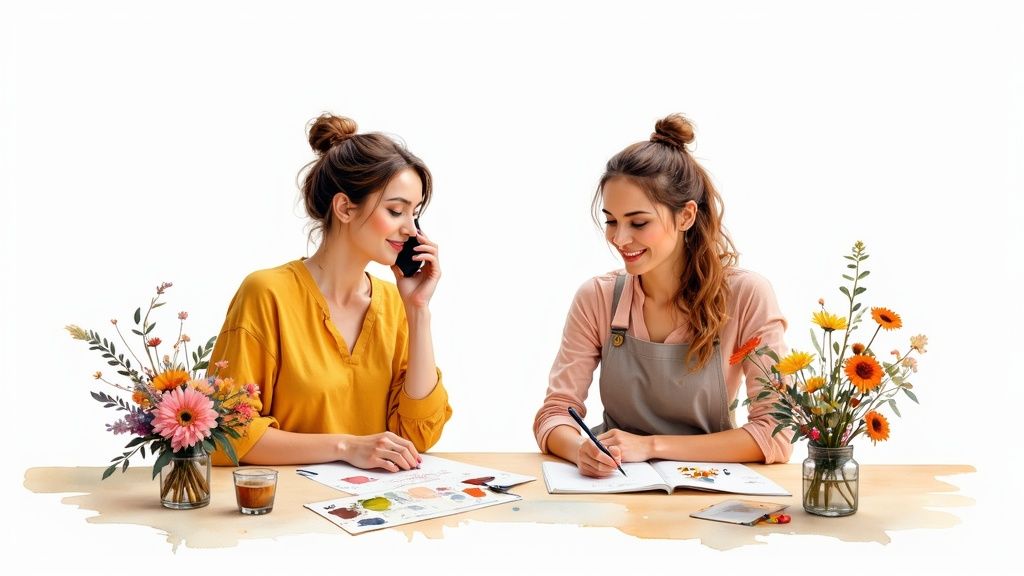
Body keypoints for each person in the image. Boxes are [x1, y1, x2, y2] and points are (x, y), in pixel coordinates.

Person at [533, 114, 792, 478]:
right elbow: (555, 413)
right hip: (619, 489)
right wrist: (581, 451)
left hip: (711, 491)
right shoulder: (596, 298)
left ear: (686, 216)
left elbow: (775, 433)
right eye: (611, 221)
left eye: (639, 223)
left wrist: (651, 445)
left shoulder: (746, 296)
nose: (620, 239)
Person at [210, 113, 451, 470]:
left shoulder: (393, 304)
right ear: (344, 208)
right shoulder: (267, 294)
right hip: (286, 514)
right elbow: (225, 435)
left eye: (414, 214)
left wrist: (417, 310)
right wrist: (345, 446)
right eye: (396, 210)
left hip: (372, 512)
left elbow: (417, 436)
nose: (410, 230)